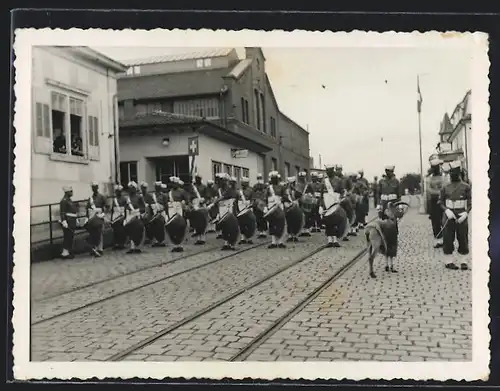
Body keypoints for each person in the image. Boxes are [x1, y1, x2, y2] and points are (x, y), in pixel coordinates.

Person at [438, 160, 472, 271]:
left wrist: (466, 213)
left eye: (455, 173)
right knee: (448, 238)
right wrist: (446, 210)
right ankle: (449, 261)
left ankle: (463, 261)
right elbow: (440, 202)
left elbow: (471, 202)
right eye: (451, 173)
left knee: (463, 237)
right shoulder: (445, 187)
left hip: (461, 214)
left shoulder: (466, 186)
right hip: (449, 215)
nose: (453, 175)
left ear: (459, 173)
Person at [322, 165, 349, 247]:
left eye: (329, 170)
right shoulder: (324, 181)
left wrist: (341, 198)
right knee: (327, 221)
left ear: (332, 170)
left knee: (335, 220)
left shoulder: (338, 180)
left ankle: (335, 239)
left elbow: (342, 191)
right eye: (326, 171)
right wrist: (321, 205)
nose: (327, 172)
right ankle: (330, 240)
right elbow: (321, 193)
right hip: (326, 201)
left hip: (335, 200)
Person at [213, 173, 241, 250]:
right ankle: (226, 243)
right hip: (222, 210)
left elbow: (225, 197)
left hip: (231, 209)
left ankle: (232, 244)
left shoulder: (231, 190)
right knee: (224, 226)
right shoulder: (218, 190)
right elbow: (216, 199)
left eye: (223, 181)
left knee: (232, 227)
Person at [265, 171, 291, 248]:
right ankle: (273, 242)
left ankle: (280, 242)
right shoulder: (268, 188)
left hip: (279, 207)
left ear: (277, 179)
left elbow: (285, 196)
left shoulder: (282, 187)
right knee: (272, 224)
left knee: (280, 224)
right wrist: (265, 207)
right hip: (271, 207)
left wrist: (282, 200)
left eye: (275, 178)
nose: (274, 180)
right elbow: (265, 198)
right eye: (272, 178)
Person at [165, 176, 189, 252]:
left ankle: (180, 244)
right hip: (171, 209)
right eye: (172, 183)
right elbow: (166, 203)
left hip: (179, 209)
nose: (173, 185)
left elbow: (187, 200)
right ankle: (174, 245)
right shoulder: (169, 193)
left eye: (175, 183)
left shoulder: (182, 191)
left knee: (180, 227)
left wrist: (184, 203)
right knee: (172, 227)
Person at [426, 158, 446, 248]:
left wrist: (436, 192)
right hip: (433, 202)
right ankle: (438, 240)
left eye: (436, 167)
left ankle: (446, 239)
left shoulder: (444, 176)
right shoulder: (429, 178)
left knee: (444, 221)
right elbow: (428, 190)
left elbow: (445, 188)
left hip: (443, 201)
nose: (435, 169)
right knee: (435, 222)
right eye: (433, 167)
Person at [86, 181, 108, 257]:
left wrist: (104, 214)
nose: (94, 189)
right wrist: (87, 217)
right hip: (92, 217)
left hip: (99, 216)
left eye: (95, 187)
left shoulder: (102, 197)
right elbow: (88, 208)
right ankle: (94, 248)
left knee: (99, 232)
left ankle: (100, 249)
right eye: (93, 187)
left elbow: (107, 206)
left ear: (97, 188)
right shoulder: (90, 199)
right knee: (93, 233)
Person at [124, 181, 146, 254]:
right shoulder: (127, 198)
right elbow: (125, 207)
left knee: (137, 231)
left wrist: (139, 212)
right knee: (130, 231)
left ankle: (138, 247)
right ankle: (132, 247)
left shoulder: (139, 197)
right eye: (129, 188)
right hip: (129, 215)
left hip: (137, 215)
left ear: (135, 189)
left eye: (132, 188)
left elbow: (143, 207)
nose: (131, 190)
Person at [236, 177, 257, 244]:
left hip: (248, 208)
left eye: (244, 183)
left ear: (247, 183)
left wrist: (251, 205)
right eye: (242, 182)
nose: (243, 184)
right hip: (240, 207)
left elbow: (253, 199)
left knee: (249, 223)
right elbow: (236, 200)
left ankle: (249, 238)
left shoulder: (251, 190)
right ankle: (243, 238)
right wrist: (236, 209)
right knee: (241, 223)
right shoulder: (238, 191)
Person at [59, 185, 78, 259]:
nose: (72, 192)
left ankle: (68, 251)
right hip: (68, 221)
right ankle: (65, 253)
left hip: (72, 220)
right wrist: (64, 221)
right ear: (67, 192)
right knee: (67, 237)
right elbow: (62, 212)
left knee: (70, 237)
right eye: (71, 191)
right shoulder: (64, 201)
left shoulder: (69, 200)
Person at [284, 176, 305, 242]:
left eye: (292, 183)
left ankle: (295, 235)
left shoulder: (297, 190)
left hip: (296, 207)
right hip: (288, 207)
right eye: (290, 183)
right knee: (289, 221)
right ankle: (290, 235)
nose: (291, 185)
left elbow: (301, 198)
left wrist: (297, 201)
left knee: (296, 221)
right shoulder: (286, 190)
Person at [147, 181, 168, 247]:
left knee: (161, 226)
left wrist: (167, 214)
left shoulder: (164, 195)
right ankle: (156, 240)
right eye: (156, 187)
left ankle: (161, 240)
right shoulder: (152, 196)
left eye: (158, 187)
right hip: (154, 212)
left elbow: (166, 205)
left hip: (161, 212)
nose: (157, 188)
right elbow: (150, 205)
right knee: (154, 226)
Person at [296, 171, 314, 237]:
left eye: (302, 177)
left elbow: (312, 192)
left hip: (306, 202)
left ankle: (306, 229)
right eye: (300, 177)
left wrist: (309, 195)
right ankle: (301, 229)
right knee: (300, 216)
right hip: (299, 201)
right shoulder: (297, 185)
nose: (301, 178)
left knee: (307, 215)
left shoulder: (308, 185)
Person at [110, 184, 128, 250]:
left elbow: (126, 208)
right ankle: (116, 243)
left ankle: (122, 243)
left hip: (122, 215)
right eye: (117, 191)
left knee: (122, 231)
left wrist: (125, 217)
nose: (118, 192)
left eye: (119, 191)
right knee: (116, 231)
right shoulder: (114, 200)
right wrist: (111, 218)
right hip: (115, 216)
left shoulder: (124, 199)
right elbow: (112, 209)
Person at [252, 173, 268, 238]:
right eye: (258, 178)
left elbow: (265, 195)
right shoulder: (255, 186)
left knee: (263, 218)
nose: (259, 179)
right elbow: (253, 194)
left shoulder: (264, 186)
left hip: (262, 204)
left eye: (260, 178)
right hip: (256, 204)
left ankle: (264, 232)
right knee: (258, 218)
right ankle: (260, 232)